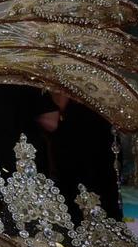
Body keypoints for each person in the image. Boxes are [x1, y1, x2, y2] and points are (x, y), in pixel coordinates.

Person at [41, 93, 122, 222]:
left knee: (79, 191)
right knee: (105, 189)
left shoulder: (72, 98)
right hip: (102, 128)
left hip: (79, 133)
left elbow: (54, 116)